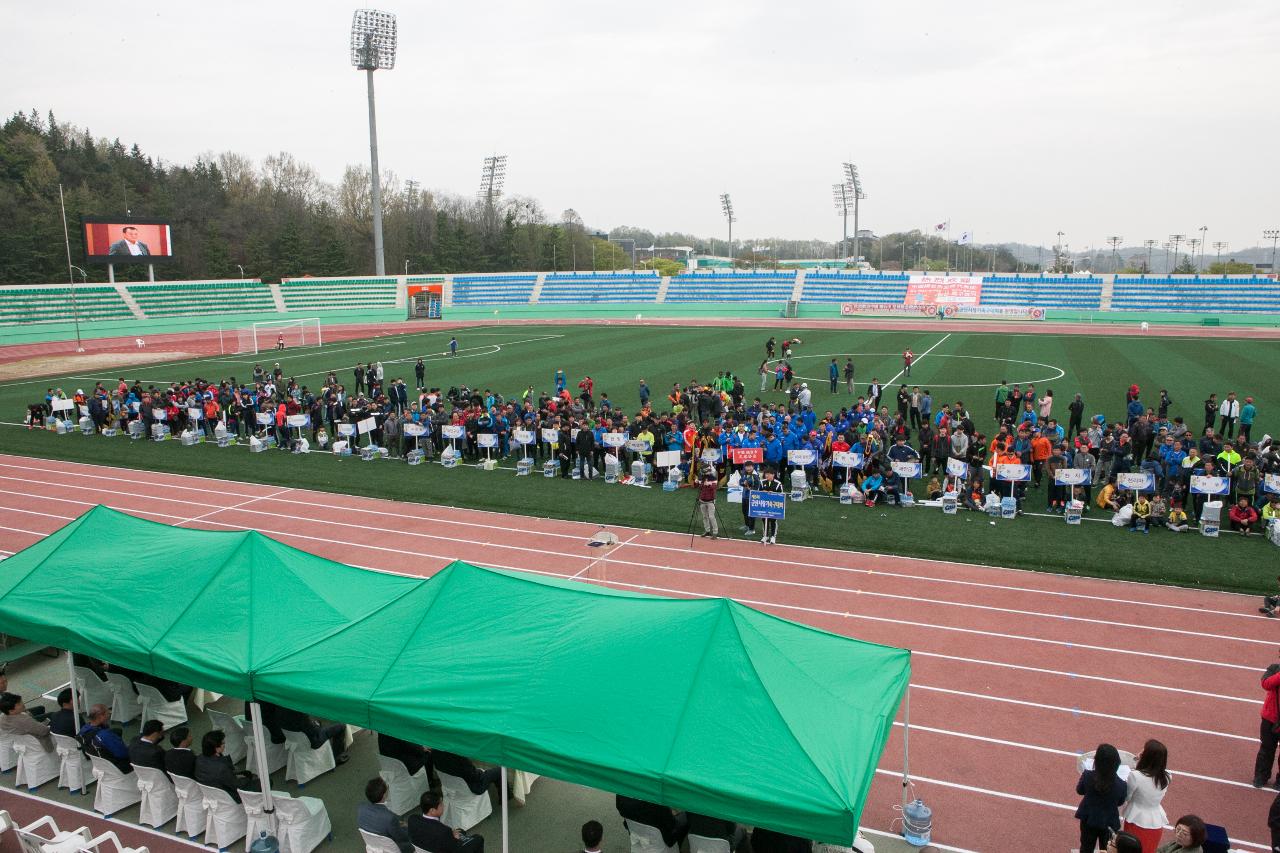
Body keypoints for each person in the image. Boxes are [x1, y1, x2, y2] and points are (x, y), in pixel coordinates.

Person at [1075, 743, 1127, 853]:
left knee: (1086, 847)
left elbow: (1080, 790)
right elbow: (1120, 802)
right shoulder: (1121, 784)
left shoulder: (1088, 775)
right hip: (1109, 822)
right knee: (1107, 848)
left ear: (1096, 761)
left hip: (1088, 819)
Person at [1121, 739, 1170, 853]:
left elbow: (1127, 797)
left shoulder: (1135, 776)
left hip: (1137, 819)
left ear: (1147, 756)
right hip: (1156, 821)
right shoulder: (1167, 776)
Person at [408, 790, 484, 852]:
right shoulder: (444, 832)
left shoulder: (412, 819)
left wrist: (450, 835)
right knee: (478, 838)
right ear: (432, 810)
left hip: (426, 847)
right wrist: (454, 838)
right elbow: (453, 848)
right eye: (441, 804)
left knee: (460, 831)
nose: (443, 806)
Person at [195, 729, 257, 803]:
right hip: (230, 796)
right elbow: (237, 785)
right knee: (264, 782)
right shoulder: (221, 768)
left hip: (212, 793)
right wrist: (248, 778)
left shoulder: (199, 759)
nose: (224, 745)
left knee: (246, 774)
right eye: (223, 743)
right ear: (216, 748)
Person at [277, 705, 349, 764]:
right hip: (312, 742)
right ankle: (338, 756)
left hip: (293, 741)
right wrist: (316, 724)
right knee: (341, 726)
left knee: (317, 723)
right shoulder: (300, 714)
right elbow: (314, 731)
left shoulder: (278, 709)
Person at [359, 777, 414, 853]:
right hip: (392, 848)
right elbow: (402, 837)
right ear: (384, 795)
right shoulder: (389, 818)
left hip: (374, 845)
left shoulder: (361, 808)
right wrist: (408, 827)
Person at [616, 795, 688, 849]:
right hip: (664, 842)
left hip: (636, 835)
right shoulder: (657, 806)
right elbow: (673, 825)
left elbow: (625, 823)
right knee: (687, 816)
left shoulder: (620, 798)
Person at [78, 703, 132, 774]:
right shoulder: (105, 735)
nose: (109, 714)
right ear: (101, 716)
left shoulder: (83, 730)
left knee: (117, 731)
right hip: (116, 767)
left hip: (99, 762)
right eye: (107, 713)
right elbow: (123, 754)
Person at [431, 750, 502, 796]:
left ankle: (507, 796)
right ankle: (505, 798)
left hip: (450, 788)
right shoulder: (459, 757)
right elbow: (474, 776)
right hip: (471, 787)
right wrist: (481, 771)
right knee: (500, 770)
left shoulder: (435, 752)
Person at [1255, 657, 1280, 787]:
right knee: (1266, 749)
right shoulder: (1274, 668)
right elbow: (1266, 684)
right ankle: (1261, 776)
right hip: (1269, 718)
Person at [758, 466, 784, 545]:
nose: (767, 476)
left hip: (774, 506)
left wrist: (772, 493)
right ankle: (765, 536)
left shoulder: (778, 484)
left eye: (769, 474)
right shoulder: (762, 482)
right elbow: (758, 493)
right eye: (766, 474)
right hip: (764, 505)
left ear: (773, 475)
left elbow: (781, 495)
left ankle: (773, 536)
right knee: (764, 520)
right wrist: (763, 492)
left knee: (773, 520)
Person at [739, 459, 762, 537]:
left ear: (753, 467)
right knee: (744, 511)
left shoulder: (755, 476)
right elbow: (740, 482)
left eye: (750, 467)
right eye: (747, 467)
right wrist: (743, 483)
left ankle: (752, 529)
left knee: (751, 513)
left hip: (751, 497)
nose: (748, 468)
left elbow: (757, 487)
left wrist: (750, 489)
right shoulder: (744, 473)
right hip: (744, 496)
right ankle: (747, 525)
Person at [697, 463, 719, 539]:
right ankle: (707, 530)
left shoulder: (713, 478)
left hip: (711, 500)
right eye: (706, 470)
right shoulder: (701, 478)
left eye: (709, 470)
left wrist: (708, 484)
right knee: (704, 517)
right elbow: (699, 487)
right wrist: (698, 482)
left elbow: (715, 487)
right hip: (702, 500)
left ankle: (715, 532)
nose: (708, 472)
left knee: (711, 517)